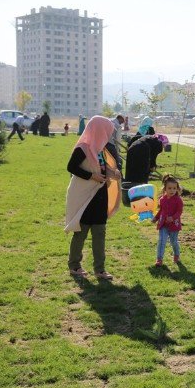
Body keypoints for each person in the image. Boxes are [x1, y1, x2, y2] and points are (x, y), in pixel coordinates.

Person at [64, 115, 122, 281]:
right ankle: (74, 265)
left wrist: (113, 174)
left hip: (99, 197)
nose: (108, 136)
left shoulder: (101, 150)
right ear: (98, 131)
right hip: (86, 198)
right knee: (80, 232)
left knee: (100, 233)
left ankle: (100, 269)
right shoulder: (83, 148)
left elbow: (102, 171)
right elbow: (71, 167)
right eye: (106, 132)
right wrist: (91, 176)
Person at [151, 174, 183, 266]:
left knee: (173, 242)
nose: (172, 190)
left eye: (174, 188)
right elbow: (161, 210)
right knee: (161, 241)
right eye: (169, 188)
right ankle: (159, 259)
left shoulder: (178, 200)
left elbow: (179, 212)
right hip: (163, 224)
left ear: (177, 189)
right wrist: (156, 218)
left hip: (174, 226)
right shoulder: (162, 199)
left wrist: (172, 218)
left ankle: (176, 254)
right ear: (165, 189)